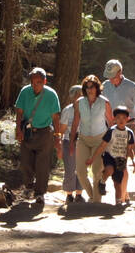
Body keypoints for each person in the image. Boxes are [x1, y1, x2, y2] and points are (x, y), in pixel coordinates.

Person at [13, 67, 61, 200]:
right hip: (27, 131)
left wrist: (57, 137)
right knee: (25, 162)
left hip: (45, 133)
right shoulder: (25, 91)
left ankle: (40, 193)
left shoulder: (51, 95)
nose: (35, 85)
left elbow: (56, 117)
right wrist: (18, 129)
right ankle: (28, 187)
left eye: (39, 82)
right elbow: (19, 112)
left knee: (42, 165)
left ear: (45, 81)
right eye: (33, 82)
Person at [71, 74, 111, 203]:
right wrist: (72, 142)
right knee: (81, 172)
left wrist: (111, 141)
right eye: (87, 87)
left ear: (97, 88)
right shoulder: (79, 102)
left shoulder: (104, 102)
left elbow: (111, 122)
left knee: (96, 171)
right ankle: (92, 197)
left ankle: (96, 202)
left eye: (92, 87)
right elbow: (75, 123)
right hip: (82, 139)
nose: (90, 90)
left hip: (99, 140)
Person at [91, 105, 135, 204]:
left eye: (124, 118)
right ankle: (102, 182)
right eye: (119, 118)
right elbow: (102, 145)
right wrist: (93, 158)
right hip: (110, 156)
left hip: (121, 159)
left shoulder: (129, 133)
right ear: (115, 119)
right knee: (109, 170)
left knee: (118, 184)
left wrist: (133, 160)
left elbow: (129, 149)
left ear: (128, 119)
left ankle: (118, 202)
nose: (121, 120)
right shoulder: (111, 131)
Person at [100, 59, 135, 137]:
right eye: (108, 76)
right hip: (110, 126)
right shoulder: (105, 85)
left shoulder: (132, 86)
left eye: (113, 76)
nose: (110, 79)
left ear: (120, 72)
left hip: (129, 125)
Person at [59, 85, 83, 202]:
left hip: (83, 142)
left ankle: (79, 194)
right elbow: (62, 129)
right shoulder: (67, 110)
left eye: (81, 95)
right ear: (72, 97)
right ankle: (69, 194)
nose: (79, 98)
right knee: (70, 168)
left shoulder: (88, 109)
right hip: (69, 141)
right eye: (77, 95)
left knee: (81, 168)